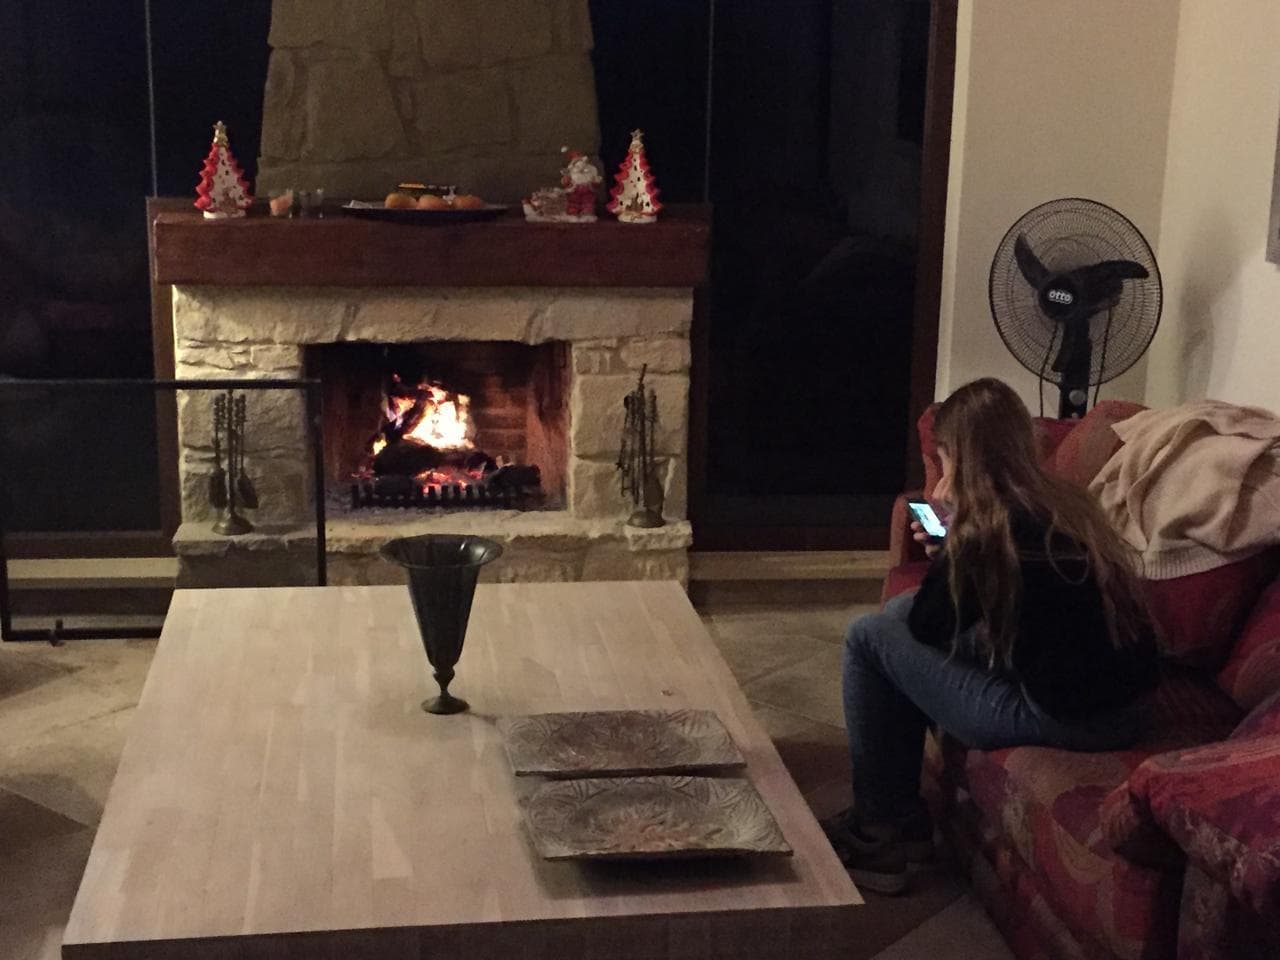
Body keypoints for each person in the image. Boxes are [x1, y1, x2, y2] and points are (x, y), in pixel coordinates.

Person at [825, 378, 1158, 895]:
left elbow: (929, 626)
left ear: (958, 457)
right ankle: (898, 814)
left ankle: (881, 831)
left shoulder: (989, 526)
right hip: (1125, 703)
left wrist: (953, 548)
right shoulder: (1064, 503)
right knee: (896, 614)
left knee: (870, 636)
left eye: (943, 457)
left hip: (1065, 716)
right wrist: (953, 559)